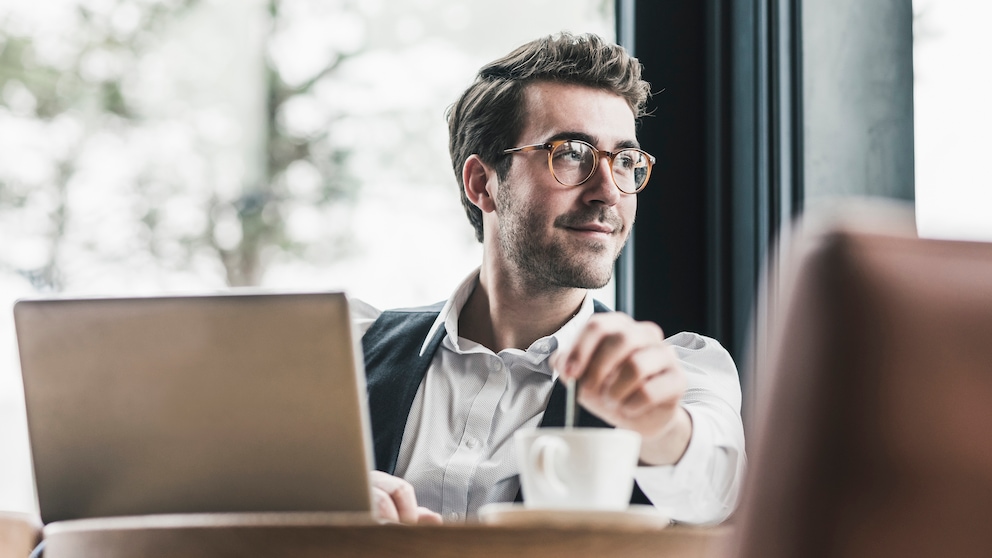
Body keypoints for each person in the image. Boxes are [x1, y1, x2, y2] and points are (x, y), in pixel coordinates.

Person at [352, 32, 745, 526]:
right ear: (483, 183)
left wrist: (660, 427)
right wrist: (317, 506)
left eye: (624, 160)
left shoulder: (681, 373)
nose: (608, 192)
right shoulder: (349, 350)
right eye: (572, 153)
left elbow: (718, 487)